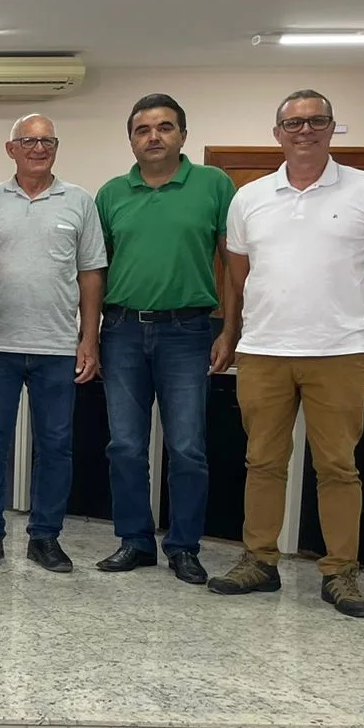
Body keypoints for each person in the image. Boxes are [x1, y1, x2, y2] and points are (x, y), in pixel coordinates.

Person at [209, 90, 364, 618]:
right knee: (262, 461)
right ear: (277, 132)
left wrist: (348, 314)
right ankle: (259, 560)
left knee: (338, 466)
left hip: (338, 353)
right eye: (294, 123)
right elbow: (240, 276)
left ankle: (341, 571)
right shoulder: (249, 197)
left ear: (331, 128)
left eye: (316, 121)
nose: (305, 130)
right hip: (264, 351)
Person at [94, 94, 240, 584]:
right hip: (121, 331)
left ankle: (183, 547)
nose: (153, 136)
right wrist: (88, 335)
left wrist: (231, 329)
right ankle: (134, 541)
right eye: (143, 129)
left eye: (165, 127)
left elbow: (234, 265)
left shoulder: (214, 185)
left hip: (188, 331)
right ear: (131, 140)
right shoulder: (111, 194)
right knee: (124, 445)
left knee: (187, 447)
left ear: (183, 135)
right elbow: (95, 271)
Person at [0, 114, 106, 574]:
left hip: (58, 345)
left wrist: (89, 338)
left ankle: (45, 537)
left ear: (56, 147)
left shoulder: (80, 201)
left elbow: (90, 274)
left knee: (56, 445)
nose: (38, 148)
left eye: (47, 141)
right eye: (28, 140)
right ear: (12, 149)